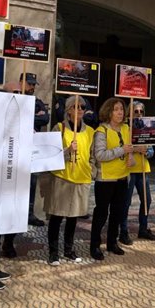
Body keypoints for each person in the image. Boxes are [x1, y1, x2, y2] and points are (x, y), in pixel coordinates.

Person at [1, 73, 49, 260]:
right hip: (8, 156)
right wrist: (28, 117)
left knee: (25, 194)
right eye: (28, 84)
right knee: (5, 200)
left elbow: (44, 118)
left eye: (33, 84)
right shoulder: (5, 98)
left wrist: (27, 117)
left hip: (28, 154)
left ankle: (9, 241)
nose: (31, 87)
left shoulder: (36, 101)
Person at [45, 95, 95, 266]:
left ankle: (69, 249)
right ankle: (53, 252)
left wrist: (92, 170)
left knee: (73, 217)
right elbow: (49, 155)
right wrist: (67, 150)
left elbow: (93, 155)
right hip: (62, 178)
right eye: (75, 107)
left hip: (82, 179)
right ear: (68, 110)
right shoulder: (59, 128)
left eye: (82, 107)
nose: (79, 110)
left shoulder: (90, 131)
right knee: (57, 216)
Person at [90, 97, 137, 260]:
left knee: (117, 213)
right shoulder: (101, 131)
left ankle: (112, 242)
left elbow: (129, 149)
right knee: (101, 213)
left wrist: (131, 156)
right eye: (116, 109)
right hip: (105, 179)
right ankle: (95, 245)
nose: (120, 112)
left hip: (122, 178)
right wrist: (121, 150)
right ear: (108, 112)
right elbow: (100, 155)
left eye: (121, 109)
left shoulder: (126, 128)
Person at [119, 101, 155, 244]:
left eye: (141, 112)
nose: (139, 114)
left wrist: (146, 151)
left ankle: (143, 228)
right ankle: (123, 231)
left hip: (142, 169)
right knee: (126, 202)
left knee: (147, 200)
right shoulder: (124, 128)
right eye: (136, 111)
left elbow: (151, 151)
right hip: (128, 169)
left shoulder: (146, 127)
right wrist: (136, 149)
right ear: (130, 112)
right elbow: (121, 147)